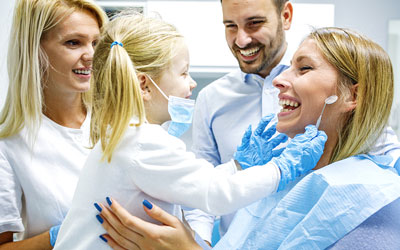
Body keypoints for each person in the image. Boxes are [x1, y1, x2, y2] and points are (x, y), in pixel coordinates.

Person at [96, 27, 400, 249]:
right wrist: (240, 166)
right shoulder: (286, 185)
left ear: (353, 95)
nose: (279, 80)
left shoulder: (368, 208)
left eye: (304, 68)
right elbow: (210, 192)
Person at [53, 12, 327, 250]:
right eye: (183, 73)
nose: (192, 83)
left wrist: (238, 166)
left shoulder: (125, 135)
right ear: (144, 85)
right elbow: (216, 195)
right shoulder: (144, 142)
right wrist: (281, 168)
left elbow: (201, 182)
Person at [187, 0, 400, 243]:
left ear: (285, 16)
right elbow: (202, 187)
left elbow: (377, 141)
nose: (241, 40)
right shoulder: (212, 98)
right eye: (231, 26)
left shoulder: (362, 206)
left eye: (254, 23)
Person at [0, 0, 108, 248]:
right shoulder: (9, 145)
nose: (91, 56)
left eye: (96, 43)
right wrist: (61, 235)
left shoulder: (119, 124)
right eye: (73, 42)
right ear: (35, 50)